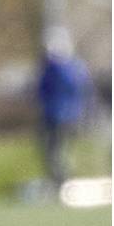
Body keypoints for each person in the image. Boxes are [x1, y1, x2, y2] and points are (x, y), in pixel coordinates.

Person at [35, 26, 93, 192]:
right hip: (73, 115)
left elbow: (41, 90)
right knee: (62, 151)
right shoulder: (77, 66)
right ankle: (63, 181)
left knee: (55, 152)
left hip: (55, 115)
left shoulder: (53, 68)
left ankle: (61, 182)